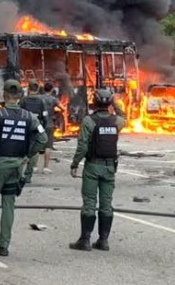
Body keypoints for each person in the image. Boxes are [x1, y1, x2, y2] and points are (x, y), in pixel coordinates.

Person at [0, 79, 47, 257]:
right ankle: (3, 247)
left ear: (4, 95)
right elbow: (43, 139)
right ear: (20, 96)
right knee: (9, 205)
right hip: (17, 166)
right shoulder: (30, 117)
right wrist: (28, 154)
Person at [69, 89, 124, 252]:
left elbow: (82, 146)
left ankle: (85, 240)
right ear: (109, 103)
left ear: (94, 102)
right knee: (106, 204)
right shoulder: (117, 121)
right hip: (109, 168)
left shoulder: (89, 121)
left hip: (92, 166)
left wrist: (75, 164)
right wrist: (114, 103)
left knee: (89, 203)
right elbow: (124, 116)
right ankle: (103, 241)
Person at [20, 81, 50, 183]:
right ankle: (28, 176)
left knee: (20, 152)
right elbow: (45, 116)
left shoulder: (23, 100)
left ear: (29, 88)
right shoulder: (41, 101)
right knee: (34, 153)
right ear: (37, 89)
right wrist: (42, 128)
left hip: (24, 129)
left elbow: (18, 114)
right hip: (36, 129)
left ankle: (19, 175)